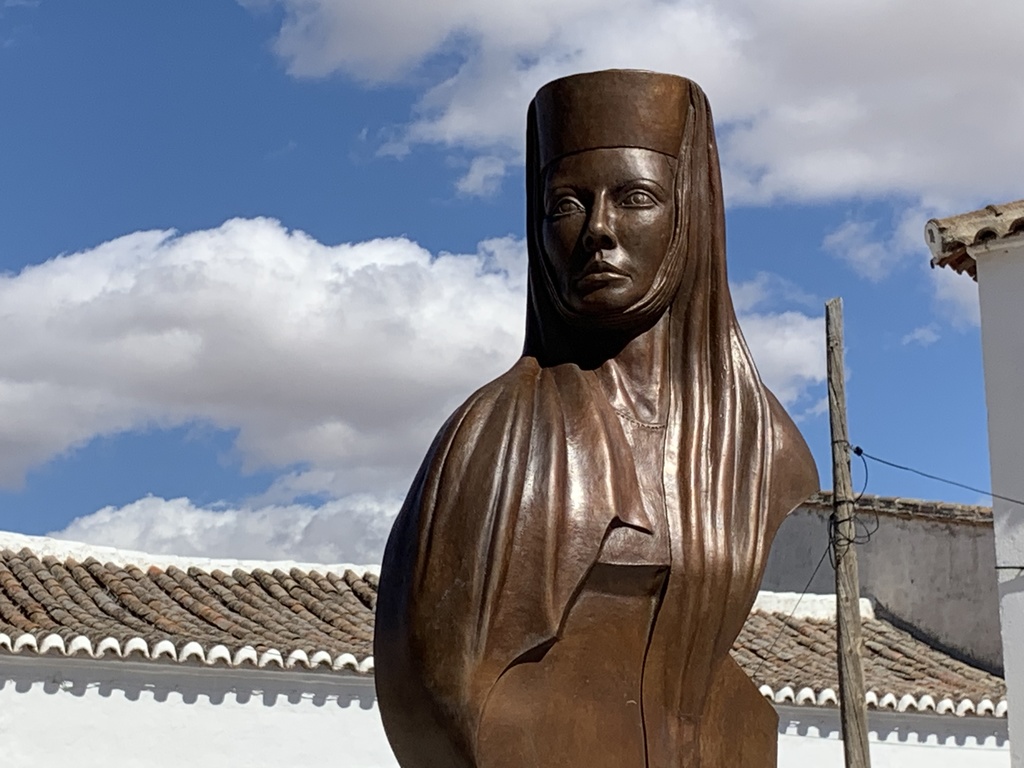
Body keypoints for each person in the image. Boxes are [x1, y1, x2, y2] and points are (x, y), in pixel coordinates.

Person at [374, 69, 819, 768]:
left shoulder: (763, 448)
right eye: (567, 206)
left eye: (635, 197)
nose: (599, 232)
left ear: (688, 214)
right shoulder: (497, 437)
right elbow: (436, 685)